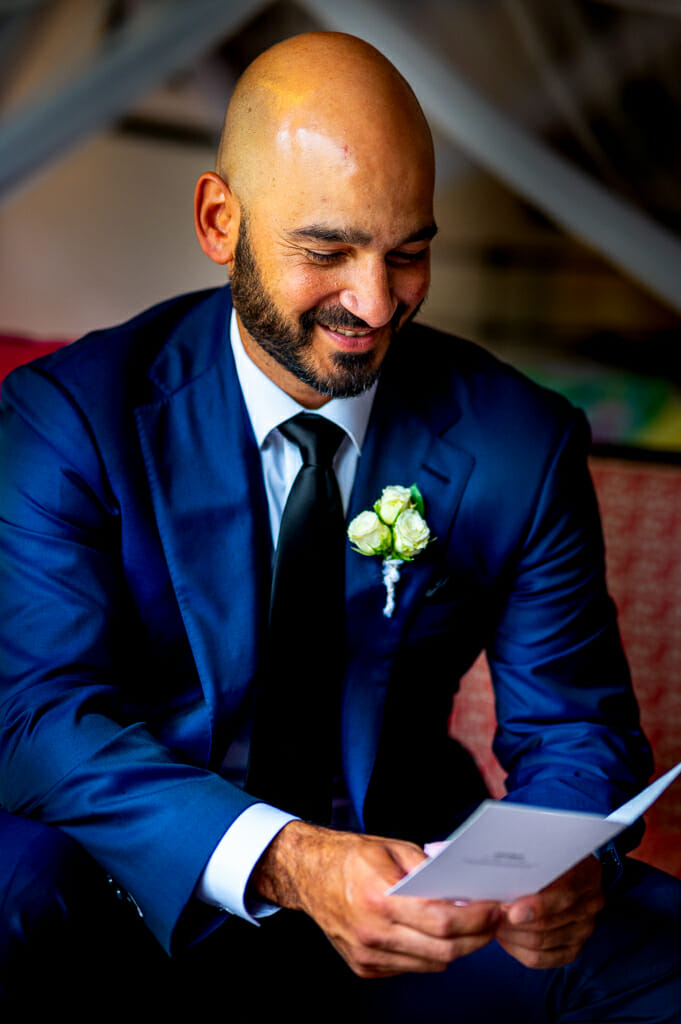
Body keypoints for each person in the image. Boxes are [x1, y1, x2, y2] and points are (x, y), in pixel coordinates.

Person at [0, 31, 679, 1021]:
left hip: (418, 894)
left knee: (659, 952)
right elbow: (37, 721)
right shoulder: (69, 419)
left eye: (408, 252)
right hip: (128, 891)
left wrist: (549, 866)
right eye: (328, 250)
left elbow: (576, 729)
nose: (373, 302)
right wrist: (290, 862)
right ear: (219, 219)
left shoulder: (519, 441)